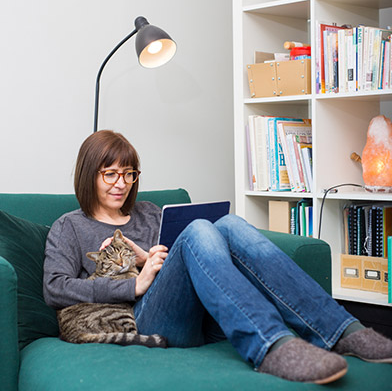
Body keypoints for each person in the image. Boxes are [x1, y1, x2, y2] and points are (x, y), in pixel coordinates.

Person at [43, 130, 392, 384]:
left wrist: (151, 257)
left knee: (227, 224)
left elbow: (182, 267)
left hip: (199, 312)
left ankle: (343, 329)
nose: (122, 183)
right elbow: (55, 289)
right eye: (111, 174)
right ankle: (271, 346)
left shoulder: (150, 214)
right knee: (197, 230)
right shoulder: (70, 227)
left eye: (129, 174)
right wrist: (134, 284)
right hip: (146, 321)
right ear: (90, 175)